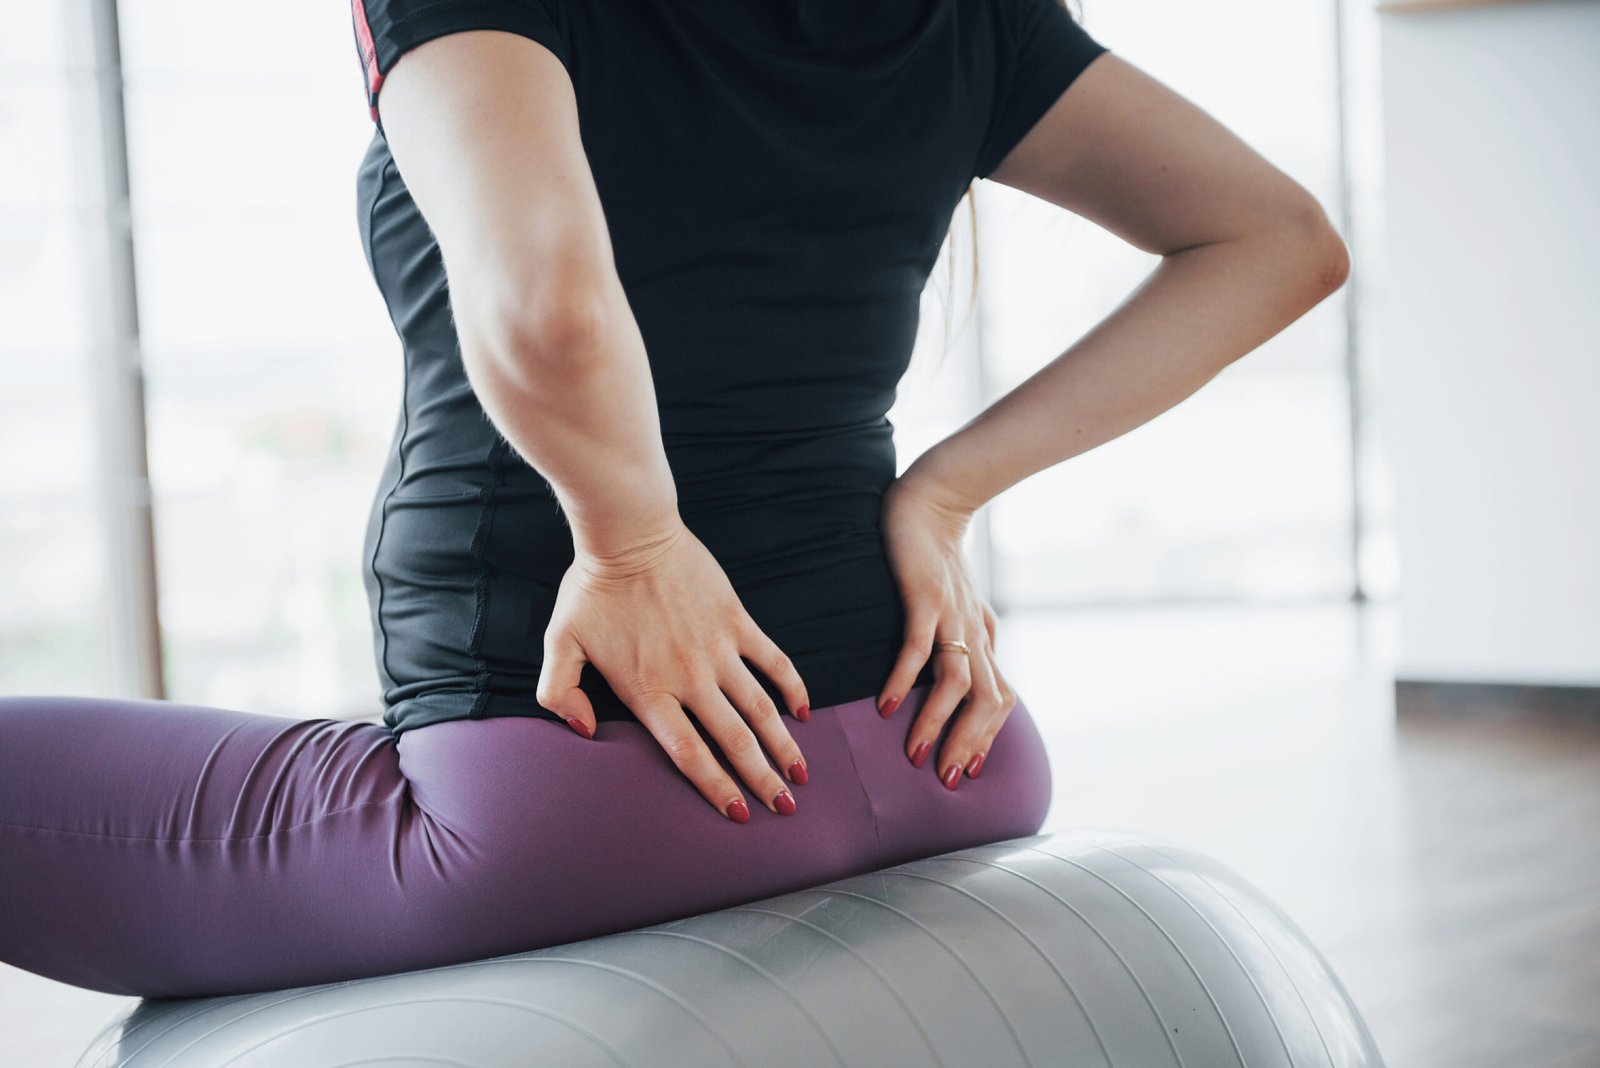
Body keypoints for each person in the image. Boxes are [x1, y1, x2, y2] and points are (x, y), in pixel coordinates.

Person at [0, 0, 1348, 999]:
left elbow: (545, 294)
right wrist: (941, 498)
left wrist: (633, 542)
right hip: (942, 749)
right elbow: (1277, 239)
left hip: (580, 790)